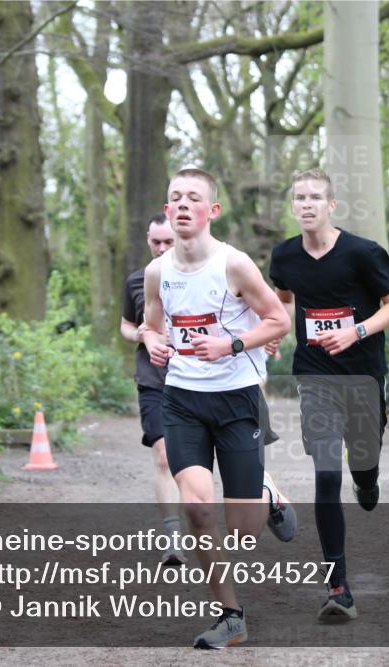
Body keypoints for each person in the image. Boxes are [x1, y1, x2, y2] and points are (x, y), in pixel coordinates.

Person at [142, 167, 296, 649]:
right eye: (175, 198)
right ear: (168, 212)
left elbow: (279, 321)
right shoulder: (156, 272)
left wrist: (232, 345)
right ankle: (231, 616)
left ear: (212, 212)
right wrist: (152, 342)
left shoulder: (235, 265)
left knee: (245, 533)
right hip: (183, 401)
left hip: (237, 401)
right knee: (198, 508)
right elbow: (150, 324)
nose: (183, 204)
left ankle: (266, 493)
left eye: (194, 198)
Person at [267, 168, 389, 622]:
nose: (306, 205)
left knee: (362, 464)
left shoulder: (363, 254)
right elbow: (284, 298)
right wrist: (275, 332)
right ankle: (339, 586)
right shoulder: (284, 256)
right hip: (316, 378)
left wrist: (357, 331)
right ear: (293, 206)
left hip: (364, 377)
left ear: (332, 206)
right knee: (326, 476)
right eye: (299, 198)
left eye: (315, 198)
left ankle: (367, 480)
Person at [120, 214, 186, 566]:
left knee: (196, 462)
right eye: (155, 242)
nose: (161, 248)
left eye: (168, 242)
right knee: (163, 455)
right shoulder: (135, 280)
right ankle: (173, 540)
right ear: (148, 239)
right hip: (152, 379)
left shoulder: (199, 275)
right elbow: (126, 326)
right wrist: (141, 333)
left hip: (196, 378)